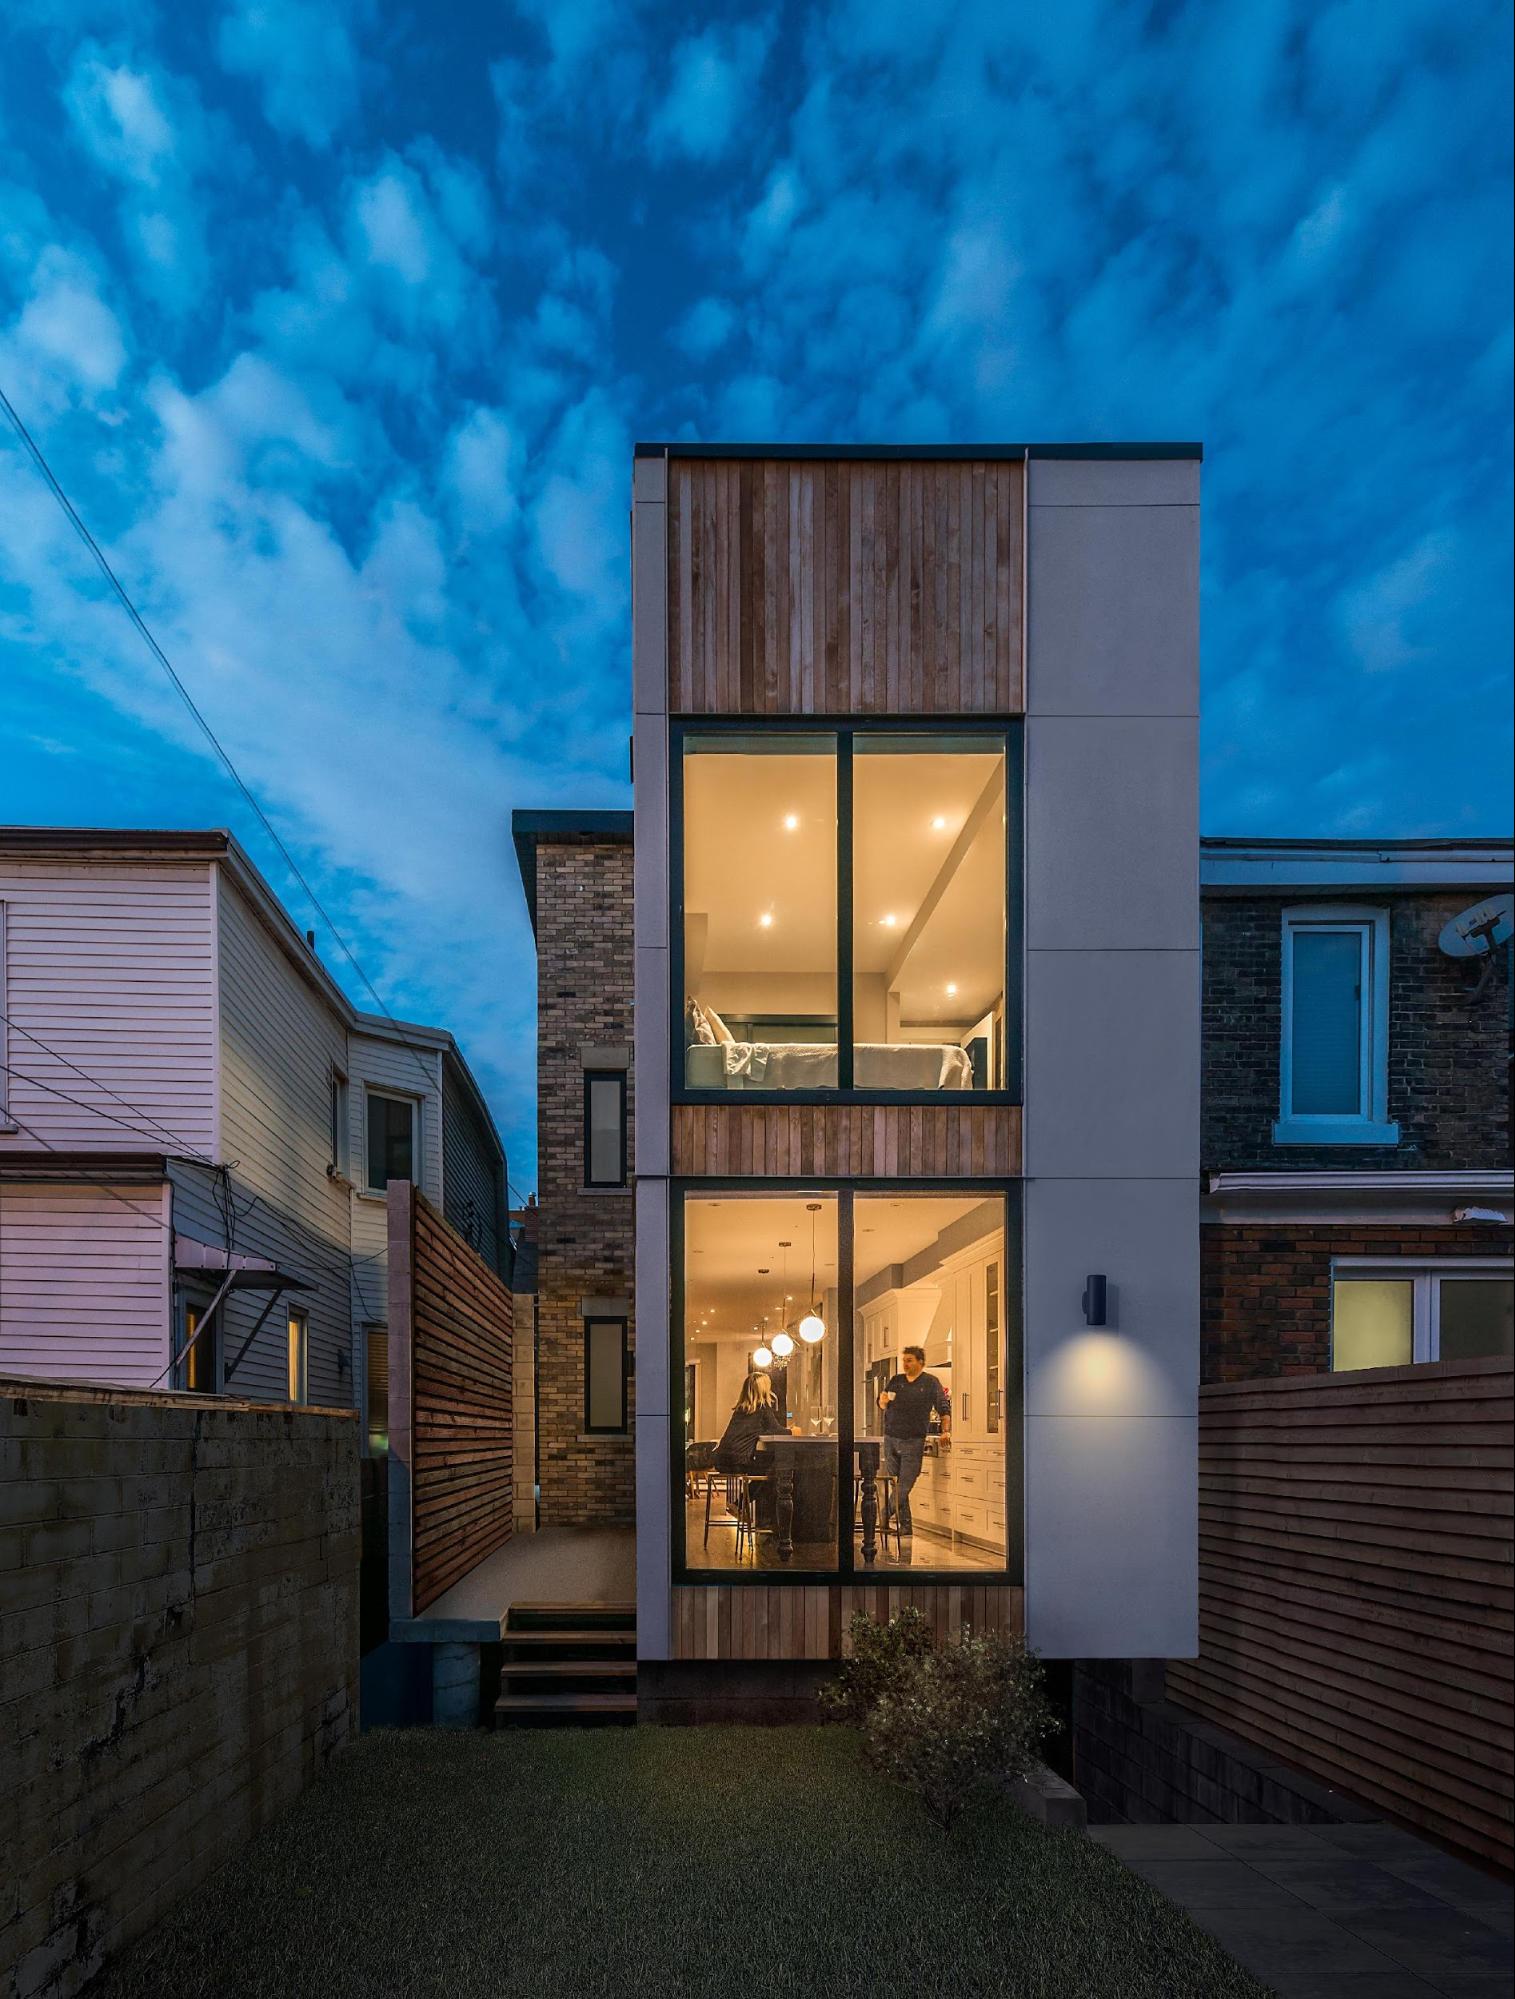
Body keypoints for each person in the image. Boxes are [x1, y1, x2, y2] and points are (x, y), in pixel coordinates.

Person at [878, 1345, 950, 1538]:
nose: (905, 1364)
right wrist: (882, 1401)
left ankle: (883, 1514)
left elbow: (943, 1408)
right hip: (891, 1437)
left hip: (913, 1440)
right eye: (904, 1360)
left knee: (906, 1483)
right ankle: (906, 1525)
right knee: (896, 1483)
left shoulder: (930, 1382)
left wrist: (945, 1431)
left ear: (920, 1362)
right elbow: (883, 1401)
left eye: (909, 1360)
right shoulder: (896, 1381)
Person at [714, 1370, 787, 1475]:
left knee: (766, 1465)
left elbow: (748, 1430)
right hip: (739, 1462)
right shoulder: (762, 1408)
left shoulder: (740, 1409)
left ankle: (748, 1491)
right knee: (775, 1468)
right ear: (764, 1389)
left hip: (721, 1460)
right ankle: (753, 1491)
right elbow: (777, 1430)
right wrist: (793, 1431)